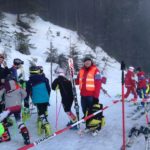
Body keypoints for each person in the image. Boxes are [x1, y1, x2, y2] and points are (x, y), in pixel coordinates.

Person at [76, 55, 104, 135]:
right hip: (83, 95)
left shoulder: (96, 70)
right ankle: (89, 126)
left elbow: (98, 84)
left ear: (91, 62)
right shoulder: (81, 71)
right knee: (85, 112)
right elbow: (78, 81)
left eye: (89, 61)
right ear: (84, 62)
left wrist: (96, 97)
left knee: (92, 111)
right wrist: (72, 80)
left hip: (91, 95)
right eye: (86, 61)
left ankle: (95, 126)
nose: (87, 62)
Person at [0, 78, 30, 144]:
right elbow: (25, 94)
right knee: (19, 122)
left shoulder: (5, 87)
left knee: (1, 119)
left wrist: (2, 101)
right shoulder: (18, 86)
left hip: (9, 108)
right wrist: (19, 99)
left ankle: (5, 136)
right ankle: (26, 137)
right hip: (18, 107)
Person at [25, 66, 52, 136]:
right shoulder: (45, 79)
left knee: (41, 112)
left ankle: (45, 124)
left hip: (36, 99)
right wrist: (47, 97)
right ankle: (41, 124)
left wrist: (26, 103)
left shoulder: (29, 82)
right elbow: (48, 89)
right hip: (45, 98)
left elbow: (26, 93)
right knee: (43, 110)